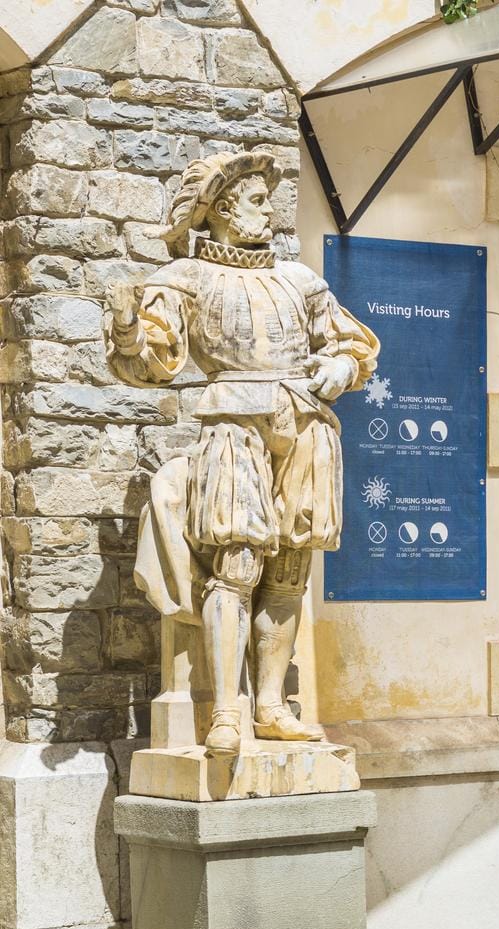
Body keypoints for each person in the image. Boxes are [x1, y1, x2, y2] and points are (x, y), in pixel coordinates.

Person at [105, 150, 379, 758]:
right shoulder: (187, 279)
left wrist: (341, 366)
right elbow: (153, 363)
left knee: (291, 569)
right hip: (232, 421)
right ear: (223, 209)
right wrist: (127, 328)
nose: (270, 211)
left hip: (304, 419)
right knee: (237, 563)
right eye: (258, 200)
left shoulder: (299, 279)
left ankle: (272, 707)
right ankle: (226, 712)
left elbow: (349, 344)